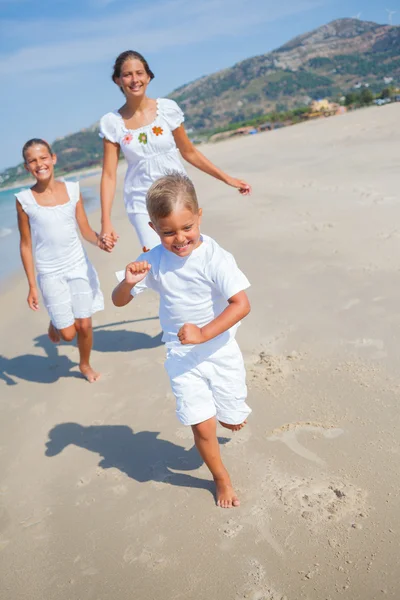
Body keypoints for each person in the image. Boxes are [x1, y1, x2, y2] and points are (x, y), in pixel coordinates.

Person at [112, 172, 252, 507]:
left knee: (233, 419)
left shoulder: (215, 257)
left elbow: (241, 304)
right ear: (153, 228)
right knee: (201, 427)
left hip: (219, 350)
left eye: (187, 228)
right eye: (168, 232)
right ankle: (221, 480)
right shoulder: (153, 260)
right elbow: (118, 301)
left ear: (199, 215)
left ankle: (230, 413)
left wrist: (203, 333)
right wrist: (129, 283)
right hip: (181, 357)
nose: (179, 239)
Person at [99, 50, 252, 252]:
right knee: (156, 257)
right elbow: (109, 175)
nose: (134, 79)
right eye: (127, 74)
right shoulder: (112, 123)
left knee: (187, 252)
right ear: (118, 80)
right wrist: (106, 222)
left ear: (148, 76)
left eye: (139, 73)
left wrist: (227, 179)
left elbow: (189, 152)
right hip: (141, 200)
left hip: (178, 193)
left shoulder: (167, 109)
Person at [16, 138, 113, 383]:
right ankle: (56, 321)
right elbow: (26, 245)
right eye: (32, 161)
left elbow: (85, 230)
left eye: (43, 158)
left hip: (77, 265)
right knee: (68, 334)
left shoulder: (72, 190)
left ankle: (84, 364)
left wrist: (100, 240)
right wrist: (31, 286)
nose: (39, 164)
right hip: (50, 273)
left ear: (53, 158)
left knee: (85, 325)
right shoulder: (24, 200)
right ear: (27, 167)